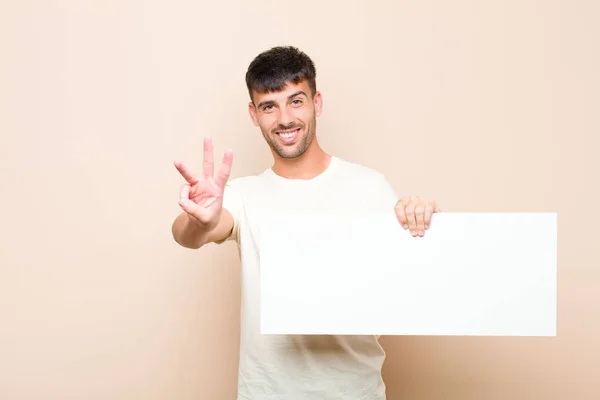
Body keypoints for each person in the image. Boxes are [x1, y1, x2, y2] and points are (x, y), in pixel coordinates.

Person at [172, 46, 440, 400]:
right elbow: (188, 235)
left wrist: (419, 219)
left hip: (354, 392)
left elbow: (412, 279)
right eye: (269, 106)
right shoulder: (243, 195)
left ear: (317, 102)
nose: (284, 118)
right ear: (254, 114)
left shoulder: (369, 186)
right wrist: (199, 220)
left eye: (296, 101)